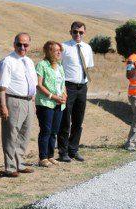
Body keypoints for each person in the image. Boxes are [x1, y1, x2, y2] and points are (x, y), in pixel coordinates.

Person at [0, 33, 37, 177]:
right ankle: (10, 167)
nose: (22, 47)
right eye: (19, 44)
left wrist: (33, 102)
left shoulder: (29, 61)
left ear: (29, 46)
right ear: (14, 44)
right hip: (14, 101)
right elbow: (2, 87)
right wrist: (3, 106)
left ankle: (20, 164)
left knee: (24, 135)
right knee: (11, 134)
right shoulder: (8, 61)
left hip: (28, 101)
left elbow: (32, 83)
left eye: (25, 45)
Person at [58, 21, 94, 162]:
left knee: (78, 121)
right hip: (68, 86)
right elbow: (58, 67)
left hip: (82, 87)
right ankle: (63, 152)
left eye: (80, 32)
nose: (77, 34)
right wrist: (61, 88)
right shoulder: (64, 47)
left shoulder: (87, 47)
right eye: (75, 32)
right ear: (70, 32)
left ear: (84, 33)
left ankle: (73, 150)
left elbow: (88, 66)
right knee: (65, 121)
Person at [35, 41, 67, 167]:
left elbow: (63, 84)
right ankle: (43, 158)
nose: (59, 52)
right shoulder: (42, 65)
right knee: (46, 130)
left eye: (60, 50)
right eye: (55, 50)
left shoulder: (60, 66)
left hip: (59, 104)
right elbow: (39, 85)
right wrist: (52, 96)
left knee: (54, 131)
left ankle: (50, 156)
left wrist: (64, 95)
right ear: (48, 51)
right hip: (45, 103)